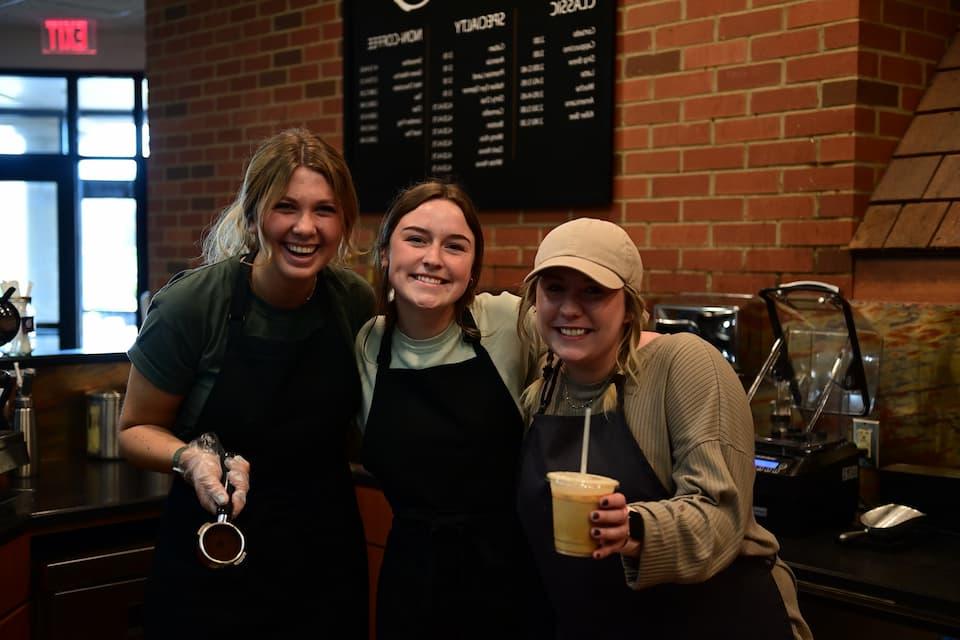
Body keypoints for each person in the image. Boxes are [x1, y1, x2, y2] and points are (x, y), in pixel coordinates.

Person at [118, 128, 375, 639]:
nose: (305, 227)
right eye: (286, 207)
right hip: (217, 543)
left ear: (344, 220)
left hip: (323, 551)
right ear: (255, 214)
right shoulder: (193, 304)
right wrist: (189, 458)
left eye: (324, 210)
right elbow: (135, 427)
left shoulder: (354, 302)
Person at [515, 218, 812, 640]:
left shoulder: (684, 364)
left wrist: (633, 528)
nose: (568, 308)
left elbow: (720, 513)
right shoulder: (543, 387)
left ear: (630, 307)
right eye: (554, 289)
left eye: (593, 291)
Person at [355, 179, 538, 639]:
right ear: (385, 253)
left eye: (454, 246)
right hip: (411, 581)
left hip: (507, 579)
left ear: (472, 268)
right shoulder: (366, 343)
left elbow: (590, 339)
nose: (433, 258)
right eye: (416, 239)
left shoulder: (507, 322)